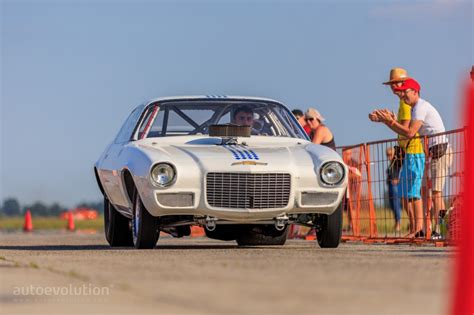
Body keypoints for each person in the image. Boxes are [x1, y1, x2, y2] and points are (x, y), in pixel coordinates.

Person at [375, 78, 452, 240]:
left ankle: (441, 230)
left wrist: (389, 122)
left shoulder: (419, 108)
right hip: (433, 152)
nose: (402, 94)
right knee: (425, 192)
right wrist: (388, 122)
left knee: (436, 193)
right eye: (401, 92)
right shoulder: (416, 108)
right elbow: (412, 132)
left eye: (405, 91)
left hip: (440, 151)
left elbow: (410, 133)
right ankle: (426, 229)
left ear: (415, 92)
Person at [369, 68, 425, 238]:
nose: (394, 87)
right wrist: (386, 120)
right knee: (405, 193)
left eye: (397, 83)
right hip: (407, 150)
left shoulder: (406, 104)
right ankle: (415, 228)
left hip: (413, 149)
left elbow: (407, 129)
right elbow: (402, 127)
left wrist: (387, 121)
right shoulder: (403, 103)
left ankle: (418, 229)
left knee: (411, 193)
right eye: (392, 84)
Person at [386, 146, 403, 233]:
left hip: (395, 186)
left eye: (389, 154)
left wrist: (398, 179)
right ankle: (396, 222)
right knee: (392, 205)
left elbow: (401, 171)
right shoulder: (391, 164)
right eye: (387, 155)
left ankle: (398, 223)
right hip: (390, 185)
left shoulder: (397, 162)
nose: (388, 157)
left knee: (396, 205)